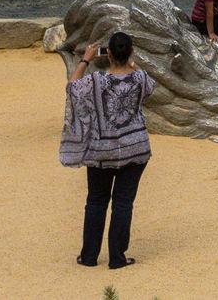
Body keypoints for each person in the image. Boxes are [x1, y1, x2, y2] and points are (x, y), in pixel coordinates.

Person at [64, 31, 153, 270]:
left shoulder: (97, 81)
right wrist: (131, 63)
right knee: (123, 203)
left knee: (96, 201)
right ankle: (117, 257)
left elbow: (72, 88)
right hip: (135, 148)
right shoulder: (141, 77)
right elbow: (149, 87)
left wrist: (85, 59)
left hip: (102, 150)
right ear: (131, 52)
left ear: (109, 54)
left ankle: (89, 256)